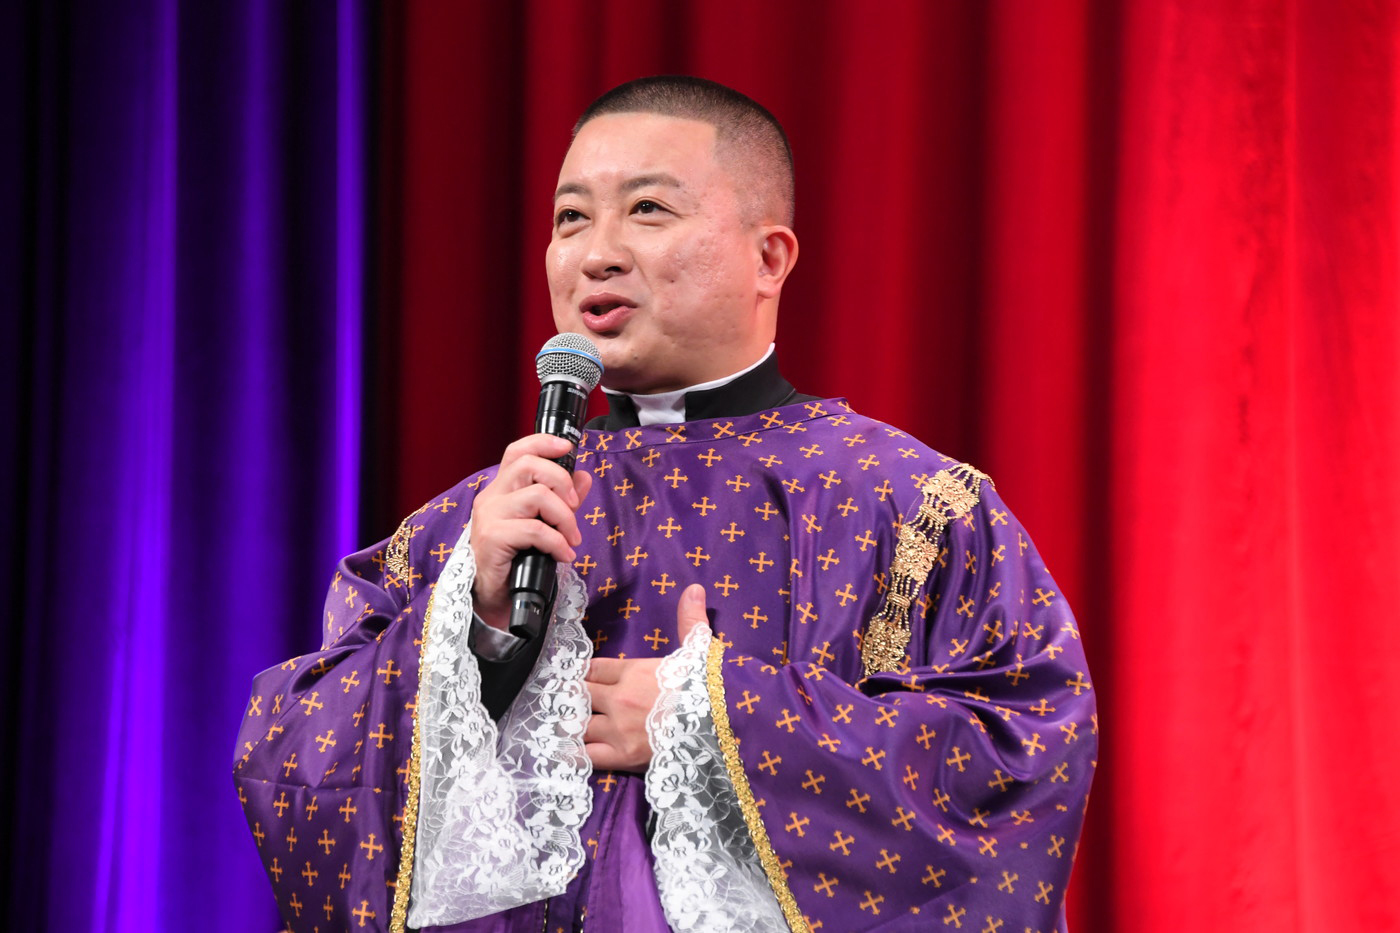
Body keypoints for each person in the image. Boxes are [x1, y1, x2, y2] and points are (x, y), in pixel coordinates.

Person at [235, 76, 1096, 933]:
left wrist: (716, 722)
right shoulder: (469, 528)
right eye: (571, 217)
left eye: (647, 209)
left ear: (769, 258)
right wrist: (473, 629)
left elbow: (1017, 765)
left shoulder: (909, 508)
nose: (596, 254)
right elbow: (292, 762)